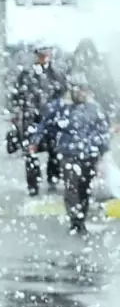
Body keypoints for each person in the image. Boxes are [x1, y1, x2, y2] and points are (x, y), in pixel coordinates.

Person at [33, 75, 111, 234]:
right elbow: (46, 125)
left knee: (84, 187)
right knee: (71, 187)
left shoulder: (94, 109)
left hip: (89, 154)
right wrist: (36, 140)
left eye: (83, 89)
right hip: (69, 153)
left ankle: (81, 216)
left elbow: (102, 131)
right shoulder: (60, 107)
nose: (81, 92)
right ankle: (75, 220)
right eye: (77, 89)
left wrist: (103, 151)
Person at [10, 45, 68, 195]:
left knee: (54, 151)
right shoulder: (26, 75)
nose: (45, 57)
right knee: (31, 152)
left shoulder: (58, 75)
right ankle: (33, 185)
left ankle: (53, 180)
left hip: (52, 120)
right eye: (42, 54)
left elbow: (63, 95)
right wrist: (19, 115)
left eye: (48, 53)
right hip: (32, 120)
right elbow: (16, 98)